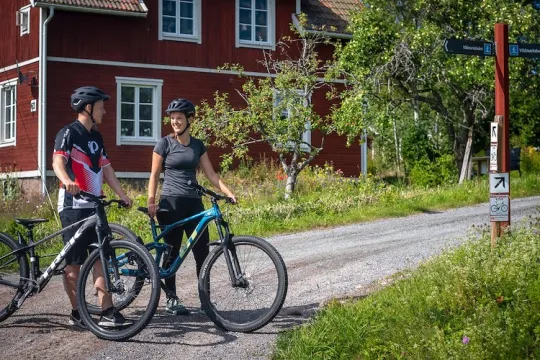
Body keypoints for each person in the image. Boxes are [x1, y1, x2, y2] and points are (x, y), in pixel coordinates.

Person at [52, 86, 134, 328]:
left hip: (95, 207)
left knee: (103, 258)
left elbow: (106, 168)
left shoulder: (96, 137)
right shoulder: (68, 133)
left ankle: (107, 311)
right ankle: (78, 313)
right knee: (74, 263)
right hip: (73, 207)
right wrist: (67, 180)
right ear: (88, 108)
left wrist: (122, 194)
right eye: (101, 107)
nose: (105, 111)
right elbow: (58, 160)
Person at [147, 98, 237, 315]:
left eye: (179, 118)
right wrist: (151, 201)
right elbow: (154, 174)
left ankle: (205, 299)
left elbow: (211, 174)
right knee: (172, 251)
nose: (175, 122)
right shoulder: (164, 144)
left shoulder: (197, 145)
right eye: (173, 118)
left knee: (201, 252)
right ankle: (171, 298)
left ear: (190, 120)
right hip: (170, 203)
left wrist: (228, 192)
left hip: (194, 203)